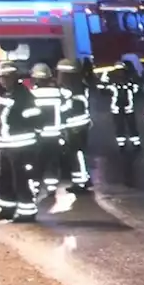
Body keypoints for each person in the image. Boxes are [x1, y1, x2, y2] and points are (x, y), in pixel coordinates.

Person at [0, 61, 41, 222]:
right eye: (2, 78)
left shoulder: (23, 95)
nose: (5, 81)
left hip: (20, 146)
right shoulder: (2, 95)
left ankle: (27, 211)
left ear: (15, 77)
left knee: (21, 179)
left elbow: (35, 117)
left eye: (8, 77)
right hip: (4, 146)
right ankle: (6, 209)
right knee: (3, 179)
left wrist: (19, 121)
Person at [56, 58, 93, 191]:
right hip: (82, 124)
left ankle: (80, 182)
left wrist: (57, 112)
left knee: (76, 154)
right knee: (80, 153)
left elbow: (67, 108)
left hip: (74, 126)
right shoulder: (81, 85)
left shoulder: (68, 89)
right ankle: (84, 179)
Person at [29, 63, 65, 197]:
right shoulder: (58, 93)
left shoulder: (32, 94)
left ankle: (36, 187)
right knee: (52, 162)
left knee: (36, 162)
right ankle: (51, 187)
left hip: (38, 135)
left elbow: (30, 114)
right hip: (55, 135)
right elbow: (64, 111)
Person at [101, 61, 142, 151]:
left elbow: (103, 90)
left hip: (120, 107)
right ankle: (133, 144)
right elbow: (137, 90)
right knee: (129, 126)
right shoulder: (127, 79)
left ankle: (124, 144)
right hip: (125, 107)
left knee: (122, 126)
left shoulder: (114, 79)